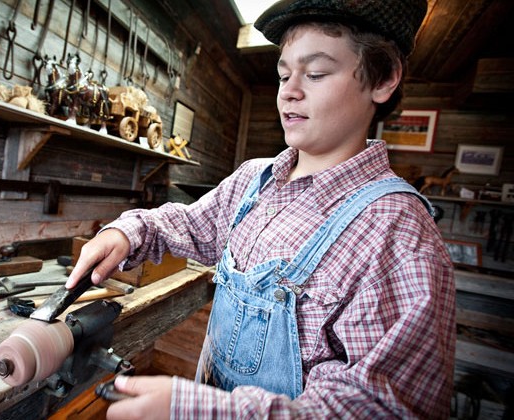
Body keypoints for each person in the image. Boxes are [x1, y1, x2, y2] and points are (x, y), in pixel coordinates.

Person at [67, 0, 456, 418]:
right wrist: (128, 232)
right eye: (284, 75)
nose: (289, 90)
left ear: (383, 79)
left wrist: (201, 411)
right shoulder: (255, 179)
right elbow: (191, 224)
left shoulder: (398, 233)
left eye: (317, 73)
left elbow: (378, 409)